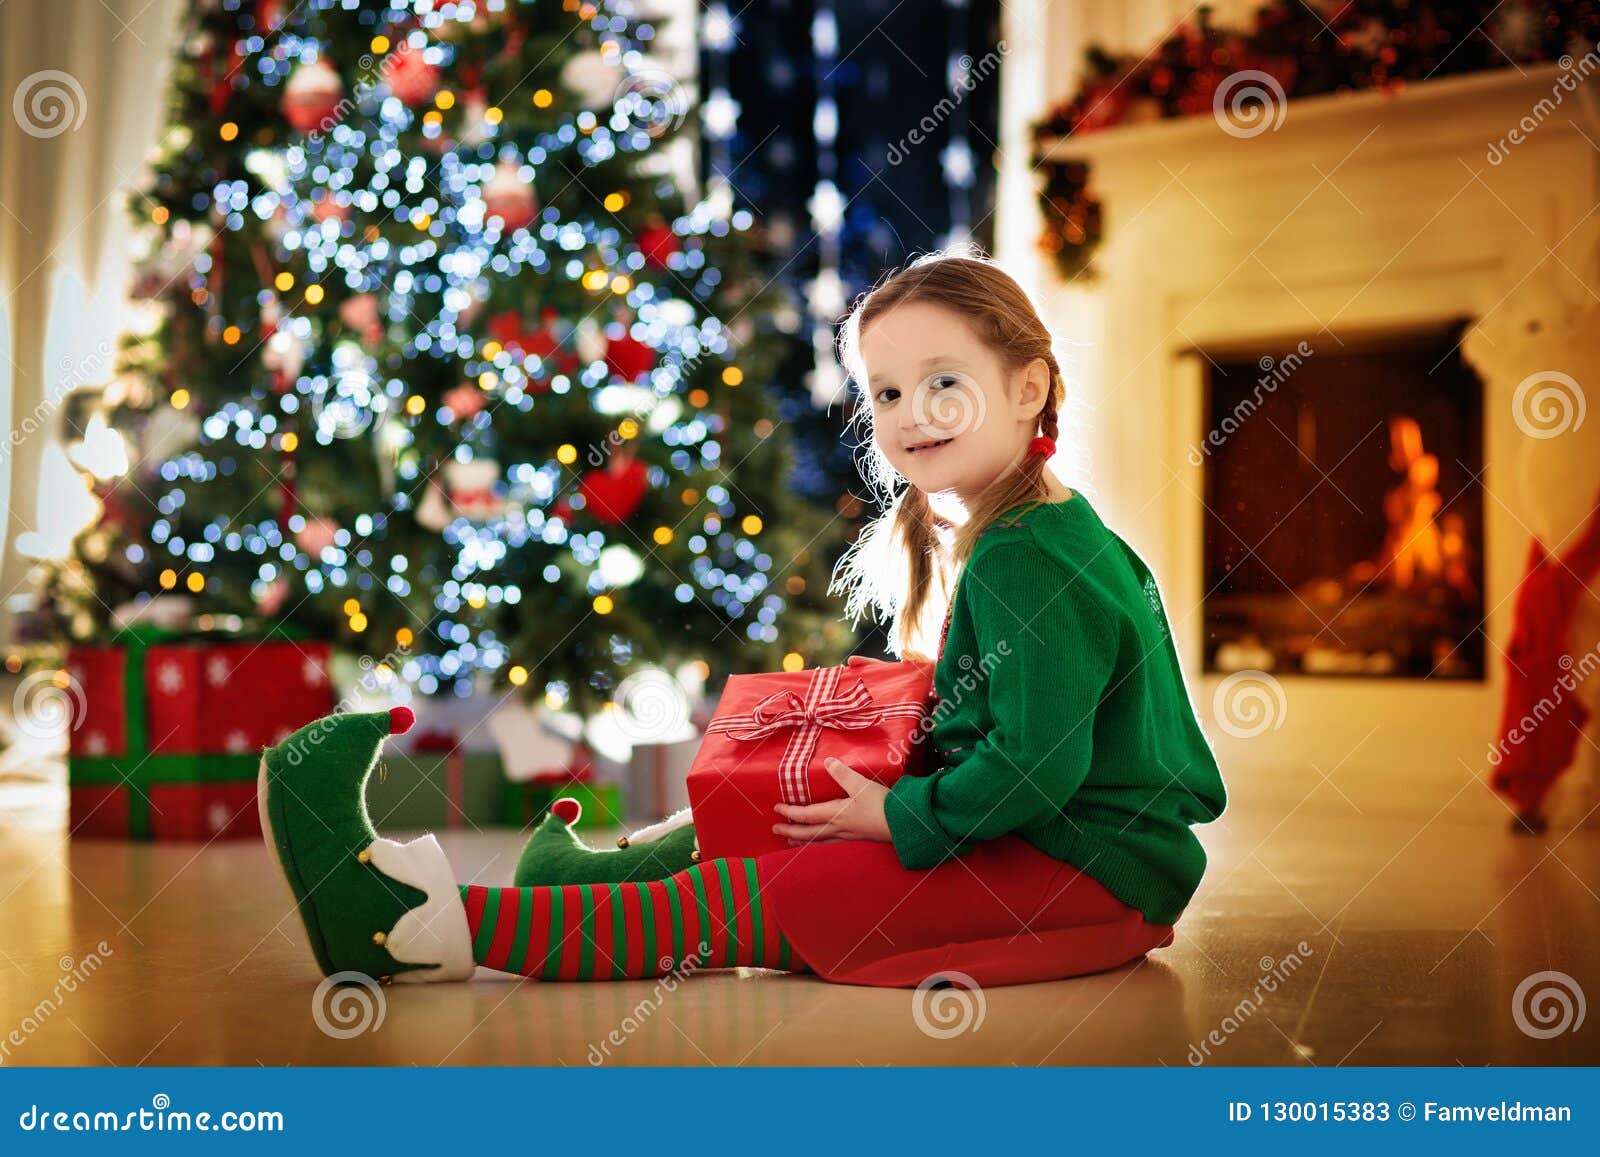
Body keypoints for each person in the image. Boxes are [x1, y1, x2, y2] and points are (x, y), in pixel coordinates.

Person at [259, 249, 1228, 988]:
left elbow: (1035, 767)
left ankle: (415, 922)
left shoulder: (1026, 556)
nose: (911, 413)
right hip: (1072, 851)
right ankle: (586, 881)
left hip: (1096, 873)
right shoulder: (1037, 524)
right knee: (785, 808)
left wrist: (893, 811)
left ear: (1027, 387)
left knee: (778, 888)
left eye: (944, 381)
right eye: (886, 392)